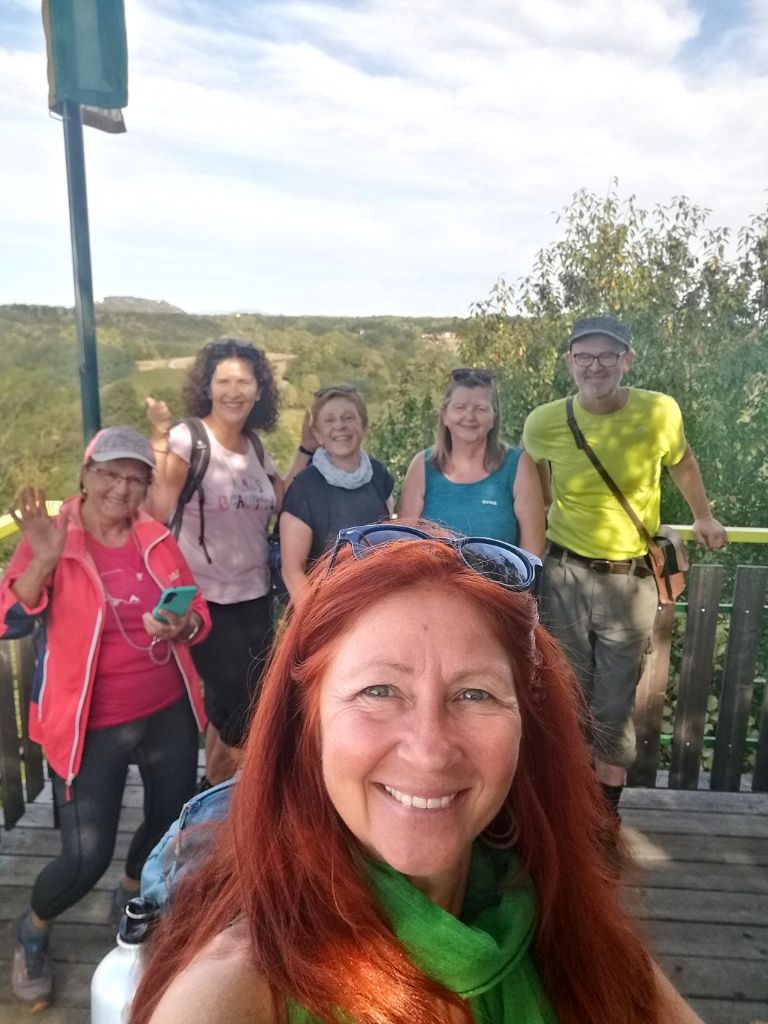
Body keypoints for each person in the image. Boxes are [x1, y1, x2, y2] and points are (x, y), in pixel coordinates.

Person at [130, 521, 703, 1024]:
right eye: (379, 691)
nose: (429, 750)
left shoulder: (567, 928)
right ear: (308, 723)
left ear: (528, 726)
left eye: (474, 694)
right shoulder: (235, 992)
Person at [0, 427, 210, 1010]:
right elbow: (10, 617)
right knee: (83, 857)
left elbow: (197, 610)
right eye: (110, 474)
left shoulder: (153, 537)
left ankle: (130, 892)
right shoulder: (55, 536)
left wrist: (184, 625)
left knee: (168, 820)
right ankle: (34, 929)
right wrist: (41, 562)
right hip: (89, 724)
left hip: (166, 709)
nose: (121, 487)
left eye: (135, 477)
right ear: (86, 475)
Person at [522, 316, 727, 817]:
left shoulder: (660, 412)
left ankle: (604, 818)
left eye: (607, 356)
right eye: (584, 357)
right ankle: (570, 813)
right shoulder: (542, 422)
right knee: (566, 698)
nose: (595, 367)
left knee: (613, 707)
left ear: (626, 361)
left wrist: (703, 516)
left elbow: (682, 462)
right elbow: (535, 485)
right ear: (570, 363)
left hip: (630, 580)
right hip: (565, 574)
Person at [145, 338, 309, 785]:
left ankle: (209, 796)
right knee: (244, 721)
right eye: (224, 381)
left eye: (244, 381)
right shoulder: (188, 439)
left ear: (259, 391)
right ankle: (227, 816)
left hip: (254, 601)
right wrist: (159, 437)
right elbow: (158, 508)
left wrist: (308, 449)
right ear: (208, 388)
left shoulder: (254, 448)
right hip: (206, 602)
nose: (234, 391)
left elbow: (284, 501)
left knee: (233, 713)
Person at [398, 368, 545, 555]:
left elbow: (533, 553)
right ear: (444, 415)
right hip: (433, 583)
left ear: (494, 418)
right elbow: (403, 546)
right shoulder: (422, 465)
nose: (470, 417)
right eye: (460, 408)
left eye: (481, 409)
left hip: (497, 585)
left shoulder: (518, 466)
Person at [279, 385, 394, 605]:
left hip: (376, 605)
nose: (340, 426)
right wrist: (320, 619)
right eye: (329, 420)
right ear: (317, 434)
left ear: (363, 426)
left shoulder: (379, 476)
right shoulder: (304, 488)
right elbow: (292, 572)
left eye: (348, 417)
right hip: (326, 610)